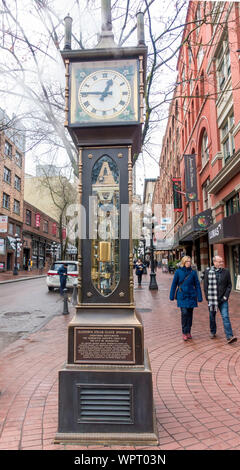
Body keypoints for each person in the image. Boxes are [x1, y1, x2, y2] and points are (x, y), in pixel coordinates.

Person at [203, 256, 237, 344]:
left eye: (222, 261)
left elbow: (229, 285)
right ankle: (213, 331)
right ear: (214, 262)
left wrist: (225, 297)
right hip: (212, 300)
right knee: (212, 317)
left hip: (223, 300)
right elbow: (205, 286)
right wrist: (207, 297)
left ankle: (229, 336)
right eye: (219, 262)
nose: (221, 263)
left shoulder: (226, 272)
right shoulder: (208, 272)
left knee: (225, 317)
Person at [170, 255, 203, 341]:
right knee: (184, 313)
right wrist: (171, 295)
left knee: (190, 315)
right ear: (183, 262)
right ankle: (184, 332)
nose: (189, 263)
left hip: (191, 296)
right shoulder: (178, 272)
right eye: (187, 261)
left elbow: (197, 285)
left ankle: (188, 331)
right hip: (182, 295)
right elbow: (174, 284)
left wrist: (199, 296)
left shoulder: (193, 272)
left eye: (190, 261)